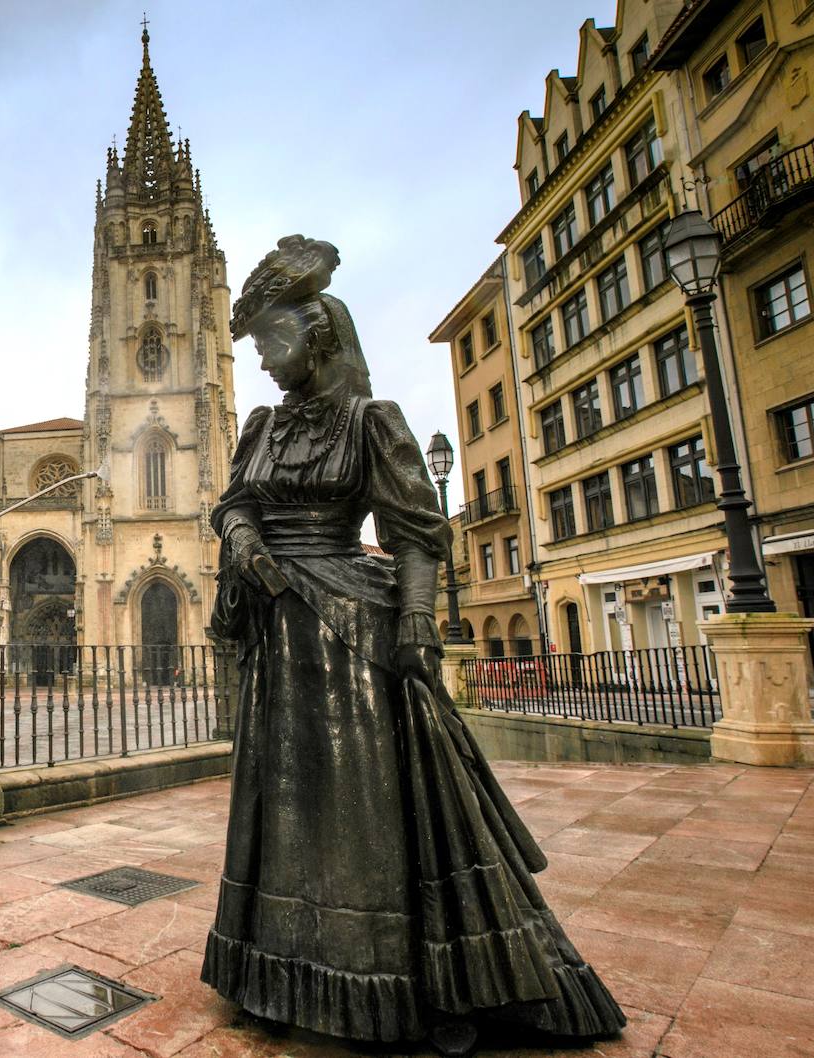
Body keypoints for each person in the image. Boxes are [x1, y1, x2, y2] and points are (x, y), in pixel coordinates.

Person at [199, 237, 626, 1057]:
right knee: (287, 808)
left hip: (351, 632)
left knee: (363, 815)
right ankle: (281, 968)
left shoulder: (371, 422)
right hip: (282, 636)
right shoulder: (261, 425)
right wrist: (247, 540)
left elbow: (418, 534)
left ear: (314, 338)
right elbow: (233, 504)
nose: (259, 364)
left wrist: (420, 621)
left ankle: (395, 978)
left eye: (269, 345)